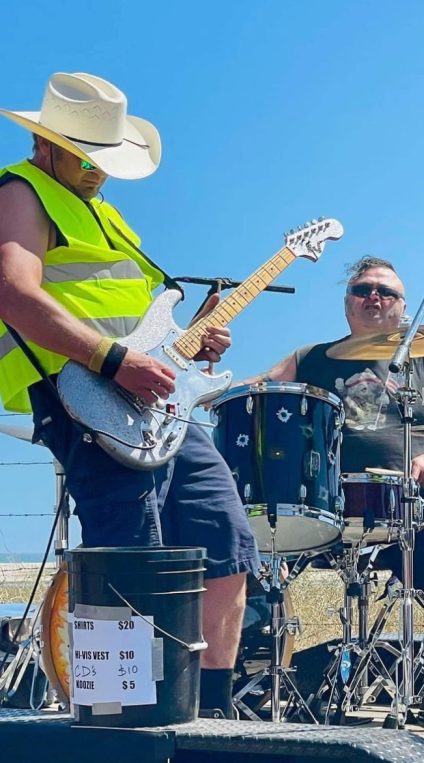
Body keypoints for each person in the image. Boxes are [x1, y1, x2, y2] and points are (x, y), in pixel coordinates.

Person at [0, 72, 259, 718]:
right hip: (85, 398)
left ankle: (212, 718)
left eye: (105, 160)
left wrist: (190, 345)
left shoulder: (109, 218)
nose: (98, 172)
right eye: (88, 158)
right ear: (47, 143)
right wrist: (115, 361)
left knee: (224, 536)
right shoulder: (21, 190)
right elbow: (12, 291)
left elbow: (136, 322)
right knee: (126, 559)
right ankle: (116, 725)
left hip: (154, 404)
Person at [242, 256, 424, 608]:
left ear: (402, 306)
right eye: (362, 289)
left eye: (386, 291)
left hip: (406, 500)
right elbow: (255, 389)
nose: (374, 296)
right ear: (347, 303)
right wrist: (204, 375)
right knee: (249, 535)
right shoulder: (311, 357)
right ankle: (271, 644)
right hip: (321, 500)